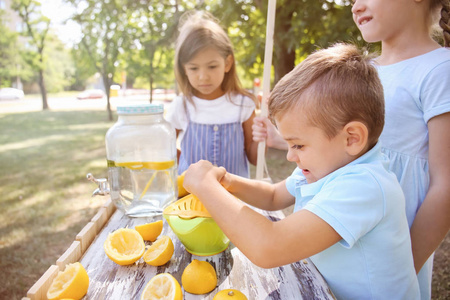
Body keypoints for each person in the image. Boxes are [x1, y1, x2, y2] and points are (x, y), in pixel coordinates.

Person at [184, 43, 420, 300]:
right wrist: (227, 181)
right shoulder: (328, 166)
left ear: (352, 138)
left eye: (298, 144)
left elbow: (269, 247)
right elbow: (274, 196)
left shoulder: (365, 185)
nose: (289, 155)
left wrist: (205, 187)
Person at [254, 2, 450, 298]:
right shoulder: (362, 71)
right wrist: (284, 139)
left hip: (390, 245)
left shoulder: (440, 69)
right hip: (338, 223)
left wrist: (403, 266)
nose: (356, 6)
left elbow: (445, 184)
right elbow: (339, 147)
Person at [166, 11, 258, 178]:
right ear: (184, 68)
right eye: (194, 68)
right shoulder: (182, 106)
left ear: (227, 63)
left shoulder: (243, 105)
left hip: (235, 200)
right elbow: (165, 148)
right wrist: (185, 165)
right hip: (191, 201)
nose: (203, 76)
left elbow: (255, 159)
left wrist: (261, 136)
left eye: (212, 66)